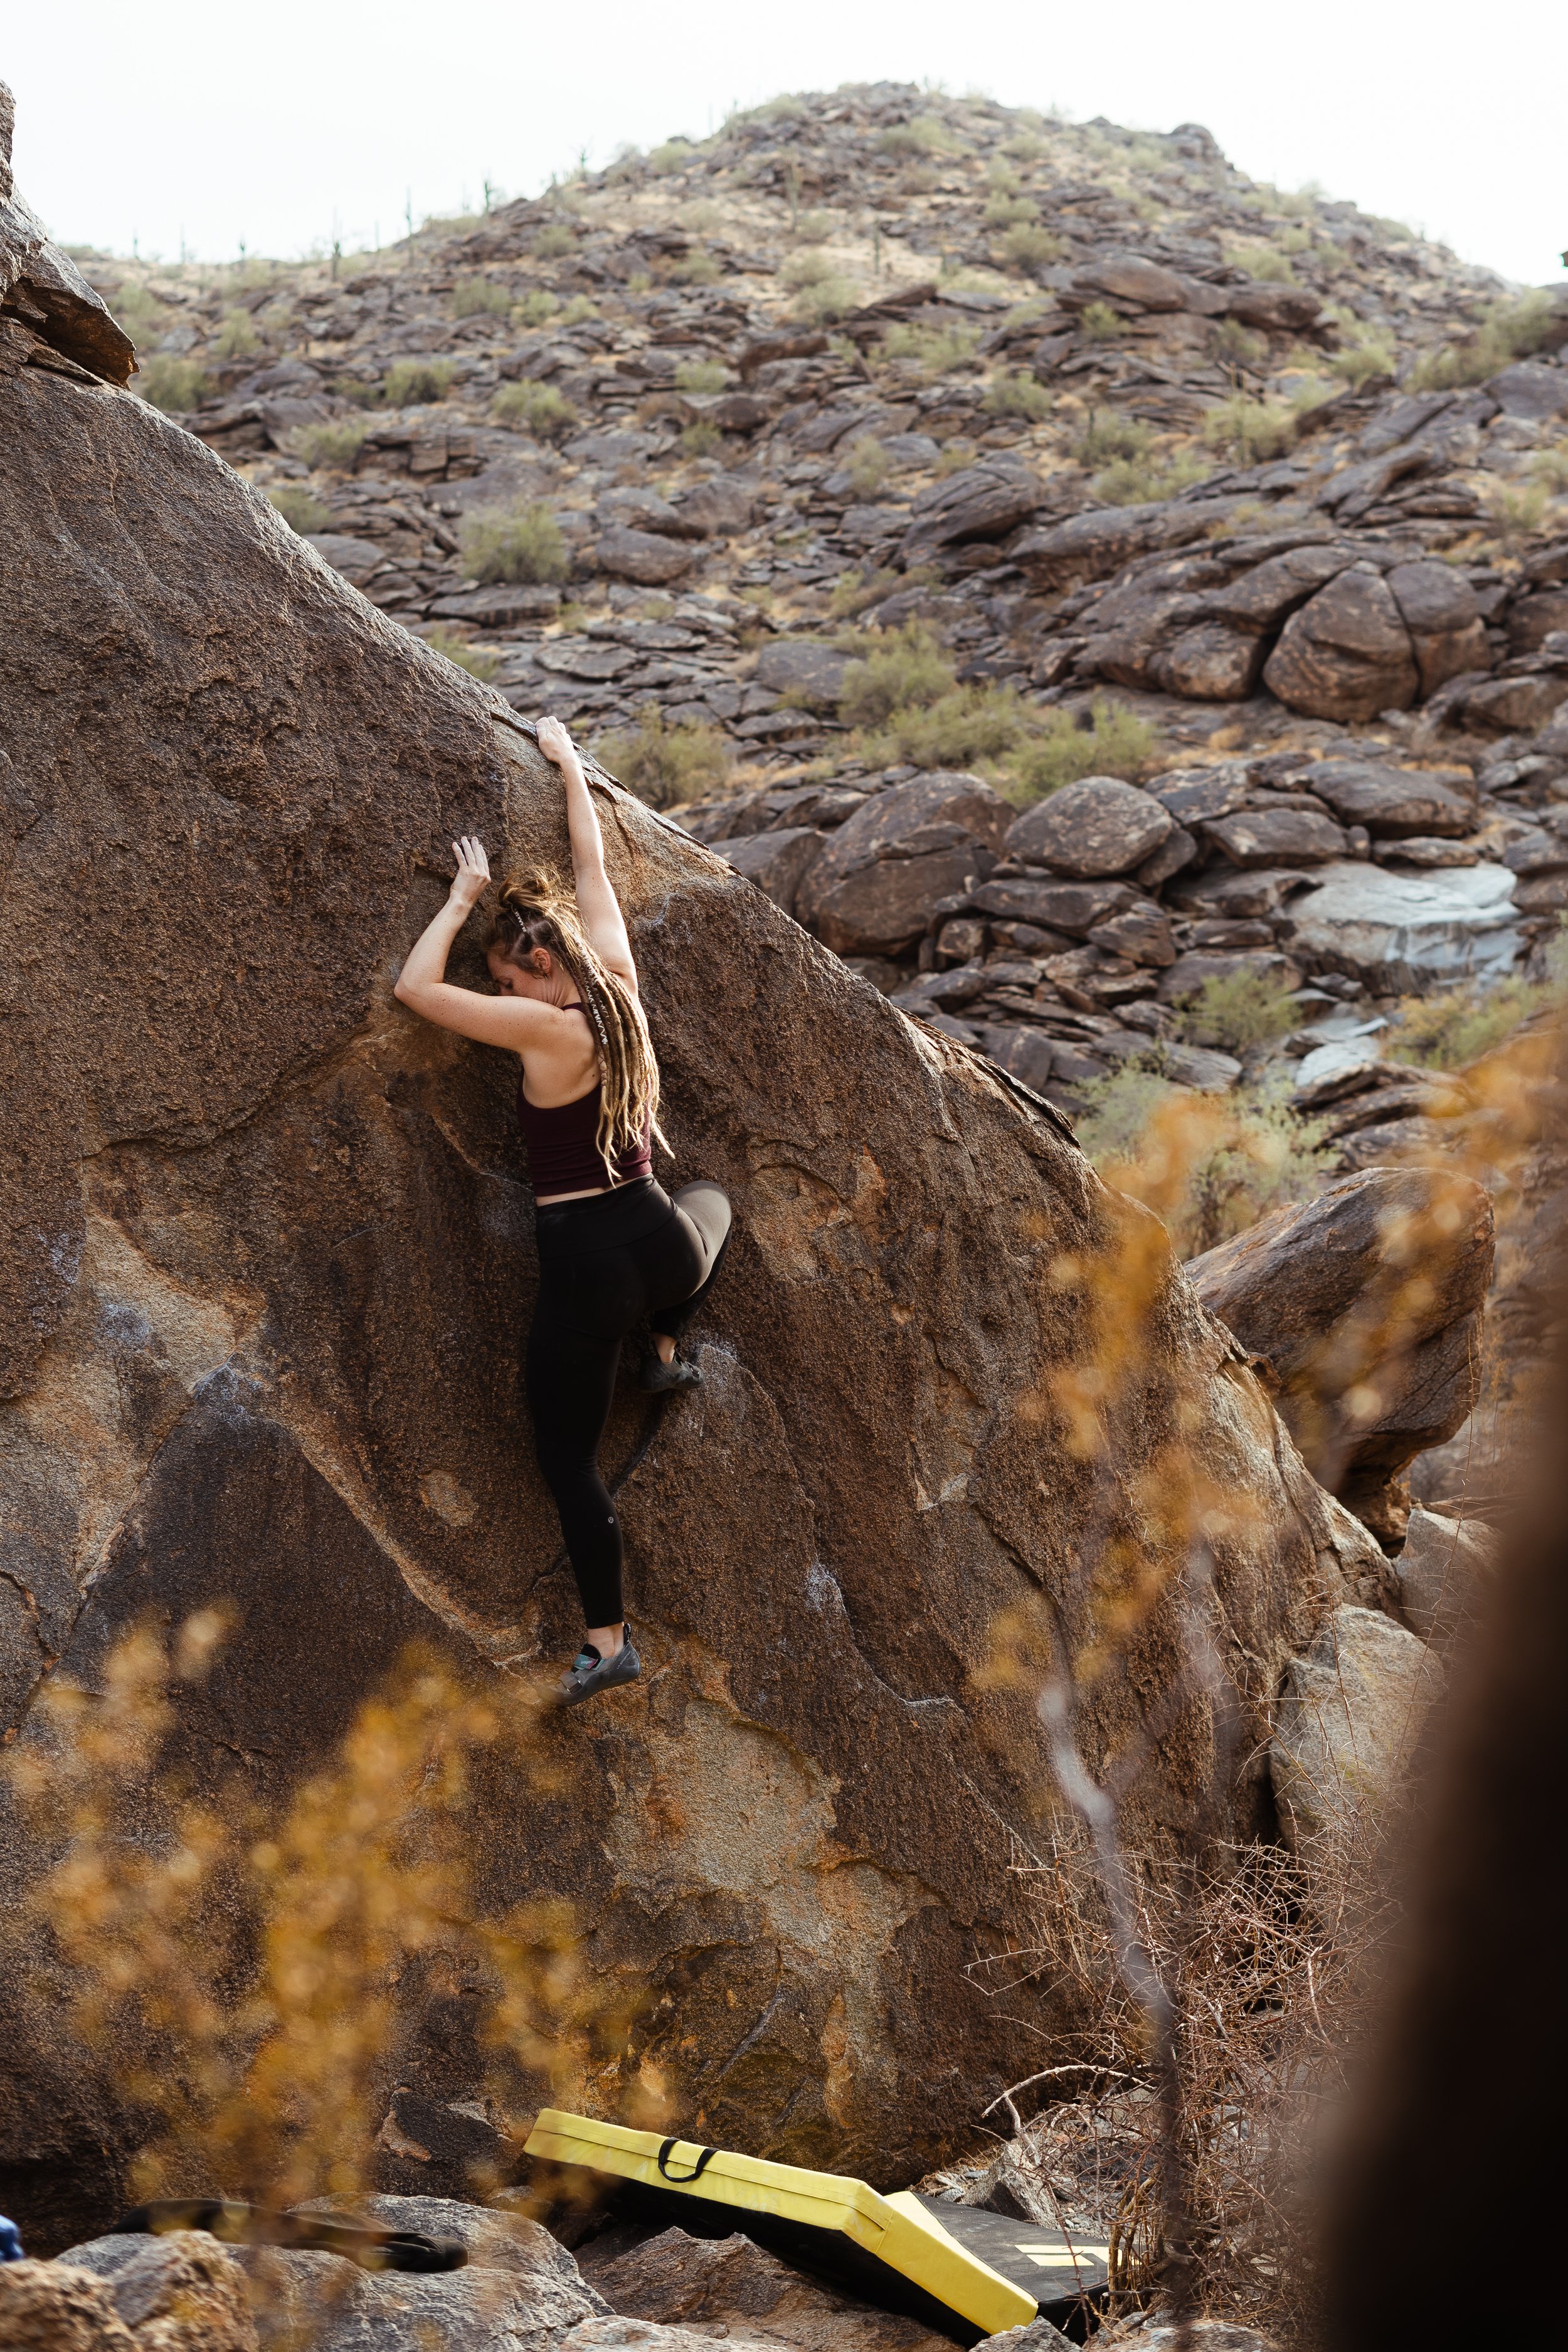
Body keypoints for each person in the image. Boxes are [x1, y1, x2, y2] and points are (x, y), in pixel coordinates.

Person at [393, 717, 731, 1707]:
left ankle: (608, 1641)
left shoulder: (545, 1028)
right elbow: (590, 865)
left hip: (587, 1268)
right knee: (715, 1204)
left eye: (505, 979)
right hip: (662, 1243)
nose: (500, 993)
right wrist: (569, 765)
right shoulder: (618, 982)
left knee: (565, 1457)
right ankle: (663, 1348)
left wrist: (461, 898)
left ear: (536, 971)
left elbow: (415, 988)